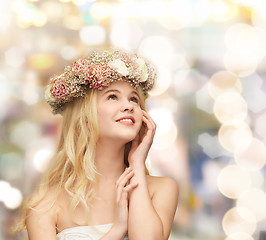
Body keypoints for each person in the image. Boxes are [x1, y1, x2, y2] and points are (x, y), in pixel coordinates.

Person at [19, 49, 179, 240]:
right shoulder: (44, 204)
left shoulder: (161, 189)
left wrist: (136, 163)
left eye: (133, 98)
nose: (129, 106)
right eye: (112, 96)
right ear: (84, 116)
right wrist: (118, 229)